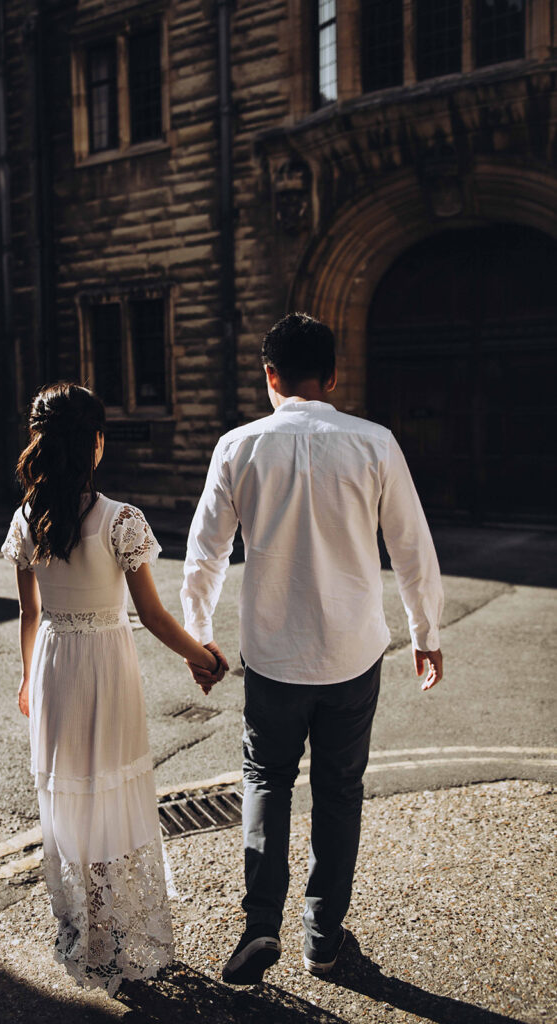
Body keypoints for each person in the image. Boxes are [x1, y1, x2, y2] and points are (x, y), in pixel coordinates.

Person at [181, 313, 444, 985]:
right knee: (338, 793)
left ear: (268, 376)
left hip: (271, 655)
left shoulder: (237, 446)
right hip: (352, 654)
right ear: (332, 376)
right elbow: (411, 549)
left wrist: (198, 636)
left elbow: (205, 552)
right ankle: (322, 941)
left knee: (266, 779)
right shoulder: (373, 442)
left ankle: (260, 923)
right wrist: (426, 634)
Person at [1, 382, 222, 996]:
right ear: (95, 443)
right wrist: (204, 656)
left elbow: (29, 613)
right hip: (104, 663)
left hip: (53, 662)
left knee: (70, 788)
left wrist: (26, 680)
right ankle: (112, 922)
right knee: (108, 785)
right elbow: (152, 617)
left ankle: (90, 922)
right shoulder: (119, 519)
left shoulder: (26, 519)